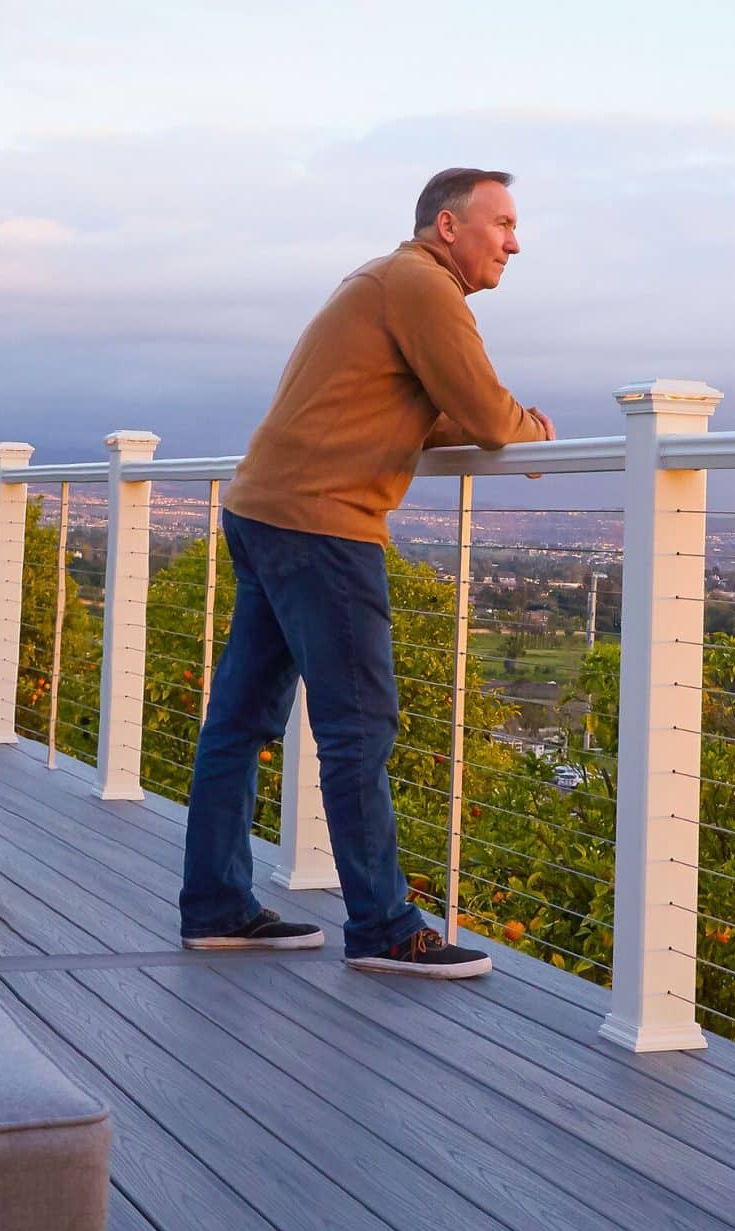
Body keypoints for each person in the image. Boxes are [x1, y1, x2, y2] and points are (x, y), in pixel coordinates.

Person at [179, 167, 554, 978]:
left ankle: (216, 907)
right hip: (320, 525)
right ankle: (384, 926)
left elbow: (429, 407)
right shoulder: (424, 286)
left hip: (264, 508)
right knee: (358, 730)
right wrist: (529, 433)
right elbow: (489, 415)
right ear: (448, 227)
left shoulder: (385, 280)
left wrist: (499, 426)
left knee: (240, 723)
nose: (515, 243)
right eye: (503, 224)